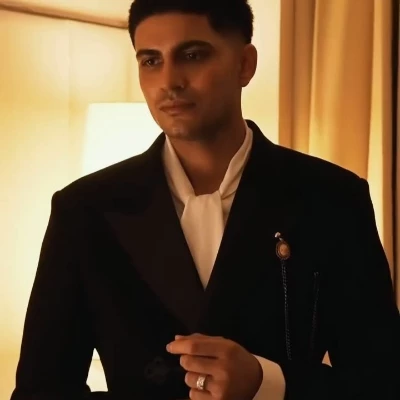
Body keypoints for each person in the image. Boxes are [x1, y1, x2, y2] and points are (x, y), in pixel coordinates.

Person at [10, 0, 400, 399]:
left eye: (192, 55)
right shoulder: (85, 209)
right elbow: (42, 390)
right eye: (151, 61)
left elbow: (384, 382)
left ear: (245, 64)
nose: (169, 81)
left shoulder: (331, 198)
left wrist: (268, 383)